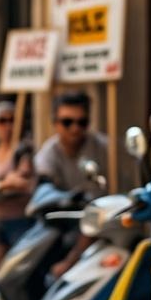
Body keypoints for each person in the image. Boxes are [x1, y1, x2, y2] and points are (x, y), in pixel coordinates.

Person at [34, 90, 109, 277]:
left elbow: (99, 207)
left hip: (102, 225)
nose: (75, 128)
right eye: (67, 122)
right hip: (65, 226)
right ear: (55, 123)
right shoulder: (48, 155)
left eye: (82, 122)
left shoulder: (105, 149)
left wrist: (71, 261)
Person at [0, 101, 35, 267]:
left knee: (14, 269)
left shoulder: (23, 149)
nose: (8, 125)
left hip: (18, 219)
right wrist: (3, 183)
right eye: (2, 120)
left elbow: (23, 180)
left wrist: (4, 185)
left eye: (13, 120)